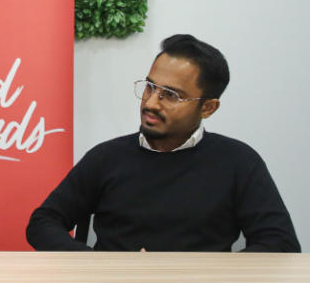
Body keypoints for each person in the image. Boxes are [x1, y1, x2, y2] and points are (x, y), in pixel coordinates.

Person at [27, 34, 300, 252]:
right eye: (150, 86)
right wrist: (97, 266)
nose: (150, 102)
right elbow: (43, 223)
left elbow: (281, 243)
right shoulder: (107, 157)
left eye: (170, 95)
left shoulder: (239, 162)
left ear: (208, 108)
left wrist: (198, 276)